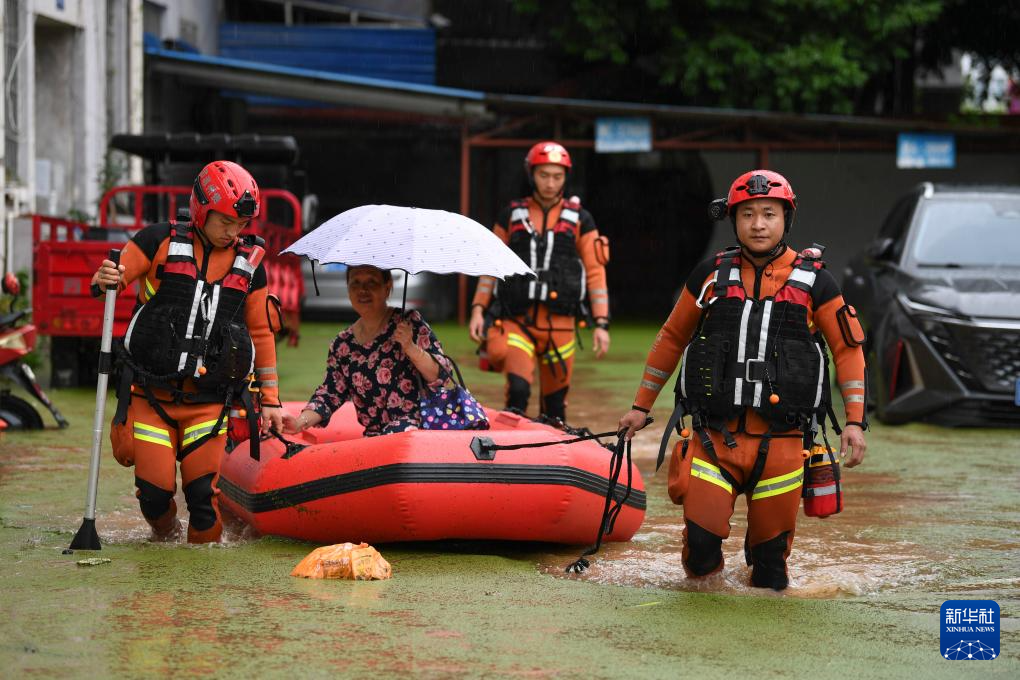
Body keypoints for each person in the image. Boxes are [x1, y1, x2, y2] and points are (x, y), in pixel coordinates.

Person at [618, 169, 868, 591]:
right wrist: (640, 407)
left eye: (769, 214)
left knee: (770, 571)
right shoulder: (710, 276)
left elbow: (848, 350)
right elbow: (672, 338)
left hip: (785, 444)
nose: (758, 224)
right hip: (714, 439)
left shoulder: (817, 282)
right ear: (732, 220)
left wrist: (857, 422)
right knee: (700, 551)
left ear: (786, 219)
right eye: (747, 214)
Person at [91, 160, 285, 543]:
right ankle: (164, 536)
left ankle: (202, 589)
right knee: (154, 496)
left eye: (241, 225)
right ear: (201, 209)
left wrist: (273, 400)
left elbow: (261, 333)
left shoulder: (251, 267)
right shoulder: (157, 241)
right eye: (225, 222)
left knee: (202, 499)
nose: (233, 233)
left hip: (209, 401)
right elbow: (113, 278)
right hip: (151, 396)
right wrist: (104, 278)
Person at [468, 141, 611, 422]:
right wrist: (477, 308)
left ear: (565, 178)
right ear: (531, 174)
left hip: (560, 325)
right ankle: (512, 455)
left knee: (555, 407)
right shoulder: (510, 215)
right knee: (518, 393)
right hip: (517, 320)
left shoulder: (582, 219)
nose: (550, 183)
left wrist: (602, 323)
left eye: (557, 176)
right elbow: (490, 267)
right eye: (543, 175)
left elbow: (596, 272)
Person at [282, 265, 452, 437]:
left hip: (418, 431)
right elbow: (329, 394)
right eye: (355, 282)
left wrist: (410, 348)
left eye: (372, 282)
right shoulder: (343, 344)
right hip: (374, 440)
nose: (362, 290)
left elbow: (441, 376)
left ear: (387, 287)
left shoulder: (409, 323)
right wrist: (298, 423)